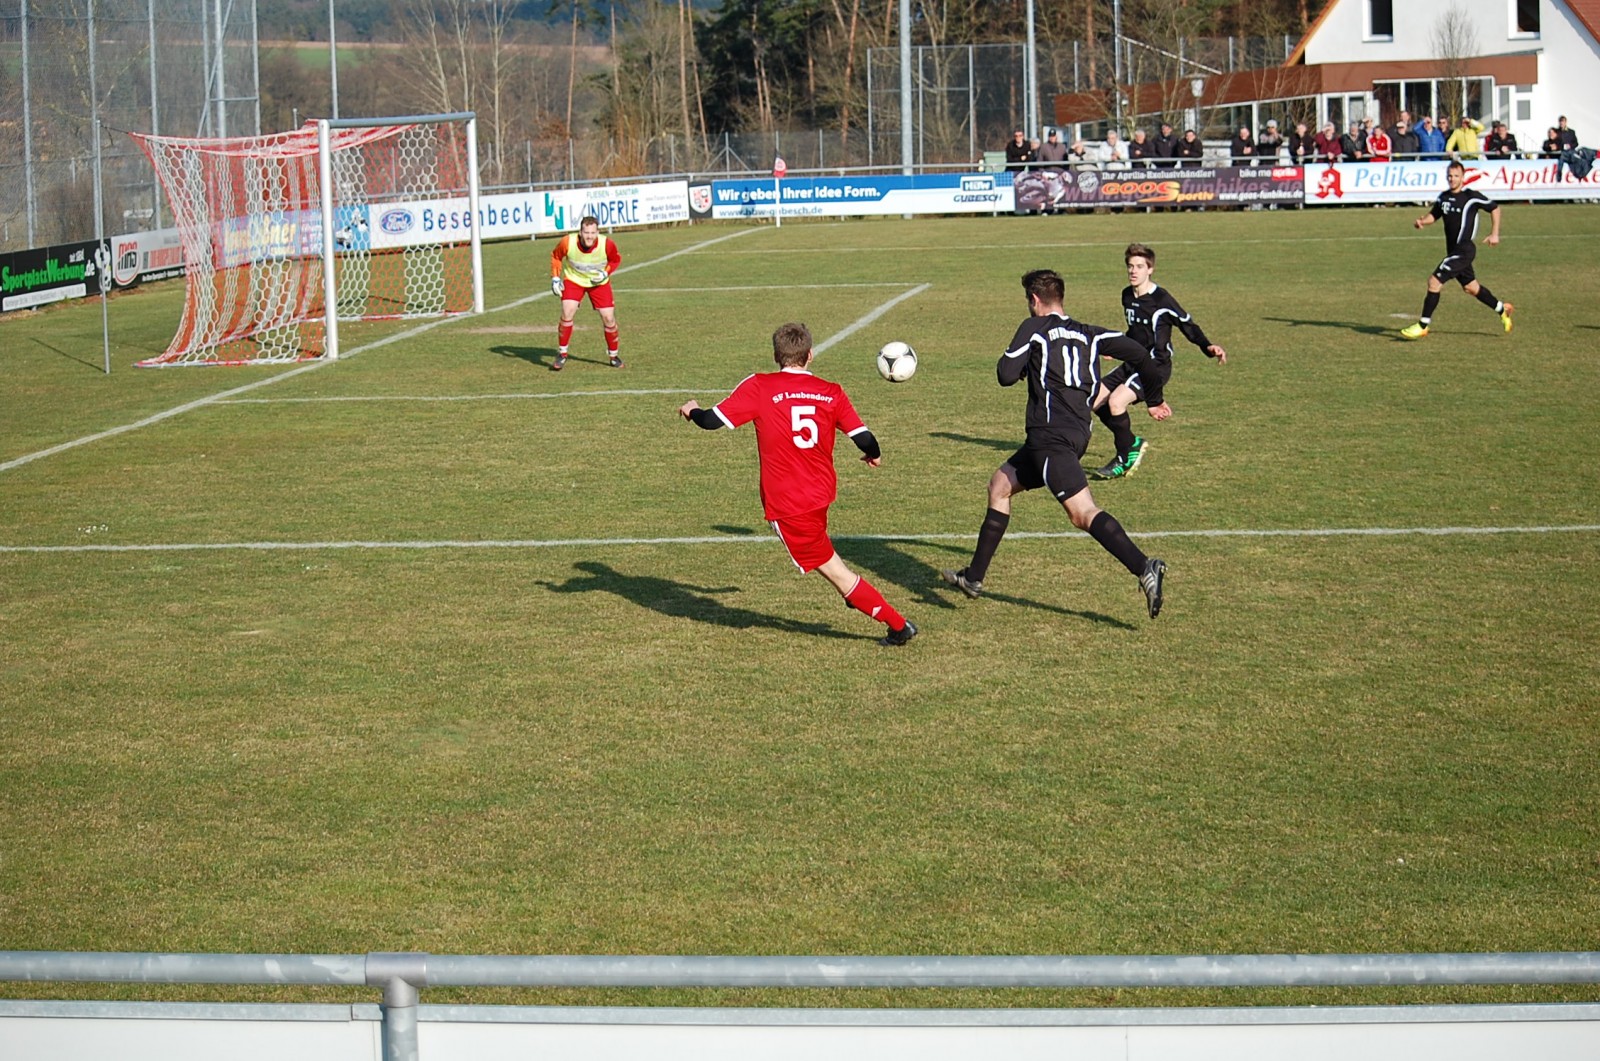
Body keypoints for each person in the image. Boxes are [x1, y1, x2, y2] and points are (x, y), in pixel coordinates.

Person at [939, 270, 1168, 619]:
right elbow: (1142, 357)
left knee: (1082, 513)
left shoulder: (1034, 328)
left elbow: (1004, 375)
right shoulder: (1091, 333)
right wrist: (1154, 399)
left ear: (1034, 300)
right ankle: (973, 578)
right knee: (1000, 486)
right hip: (1075, 435)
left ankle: (1144, 566)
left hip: (1050, 438)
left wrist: (1022, 367)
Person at [677, 322, 917, 647]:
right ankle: (859, 598)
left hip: (790, 506)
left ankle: (897, 625)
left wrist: (692, 410)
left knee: (837, 573)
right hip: (820, 495)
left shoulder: (760, 386)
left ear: (777, 356)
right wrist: (873, 455)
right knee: (829, 560)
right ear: (810, 355)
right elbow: (865, 438)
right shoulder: (831, 391)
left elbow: (710, 421)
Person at [1091, 243, 1227, 480]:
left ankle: (1124, 457)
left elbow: (1187, 324)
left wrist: (1207, 346)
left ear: (1150, 269)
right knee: (1094, 399)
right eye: (1130, 266)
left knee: (1116, 402)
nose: (1133, 271)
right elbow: (1136, 332)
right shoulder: (1127, 295)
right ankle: (1131, 442)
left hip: (1155, 365)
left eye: (1139, 266)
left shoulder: (1162, 299)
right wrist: (1118, 348)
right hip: (1133, 361)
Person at [1400, 160, 1513, 340]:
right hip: (1453, 251)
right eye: (1450, 176)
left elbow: (1495, 208)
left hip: (1464, 250)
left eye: (1456, 176)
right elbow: (1434, 215)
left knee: (1434, 282)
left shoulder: (1471, 197)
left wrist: (1494, 234)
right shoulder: (1443, 197)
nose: (1452, 179)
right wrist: (1422, 221)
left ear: (1463, 177)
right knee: (1471, 288)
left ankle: (1422, 325)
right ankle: (1502, 309)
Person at [550, 215, 622, 371]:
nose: (589, 236)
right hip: (574, 280)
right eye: (586, 232)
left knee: (609, 318)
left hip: (598, 282)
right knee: (567, 311)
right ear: (580, 232)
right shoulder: (567, 242)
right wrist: (555, 278)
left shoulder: (606, 244)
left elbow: (615, 259)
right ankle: (562, 354)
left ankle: (613, 356)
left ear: (597, 232)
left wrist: (606, 273)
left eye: (592, 233)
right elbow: (556, 256)